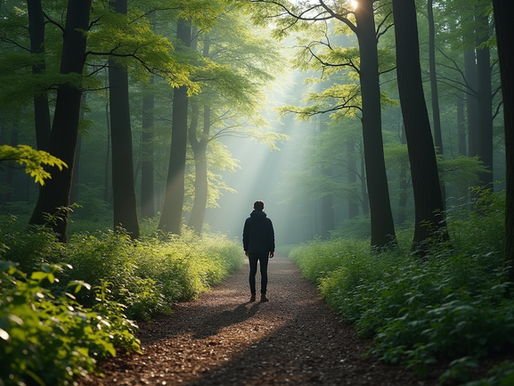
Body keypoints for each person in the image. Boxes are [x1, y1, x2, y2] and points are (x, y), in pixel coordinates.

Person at [242, 200, 275, 302]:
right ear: (263, 208)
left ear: (254, 208)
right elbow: (271, 236)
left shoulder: (248, 221)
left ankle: (252, 295)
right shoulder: (267, 221)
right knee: (263, 272)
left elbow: (245, 235)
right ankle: (263, 295)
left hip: (252, 249)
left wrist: (246, 248)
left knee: (252, 272)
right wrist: (271, 249)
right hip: (264, 249)